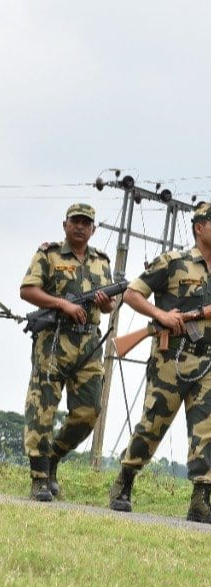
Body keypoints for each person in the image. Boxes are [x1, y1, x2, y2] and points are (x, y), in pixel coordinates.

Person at [108, 202, 211, 524]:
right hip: (171, 357)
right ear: (200, 227)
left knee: (208, 428)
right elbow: (132, 294)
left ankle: (201, 501)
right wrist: (161, 315)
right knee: (153, 423)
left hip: (209, 360)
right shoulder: (172, 262)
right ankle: (124, 483)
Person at [20, 203, 115, 501]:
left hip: (88, 344)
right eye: (75, 221)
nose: (80, 227)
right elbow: (27, 290)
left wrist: (104, 302)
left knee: (89, 411)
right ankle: (39, 478)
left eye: (86, 223)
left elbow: (111, 304)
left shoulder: (102, 261)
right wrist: (63, 304)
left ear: (93, 229)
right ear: (65, 225)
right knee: (42, 407)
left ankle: (54, 458)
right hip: (53, 341)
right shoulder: (48, 254)